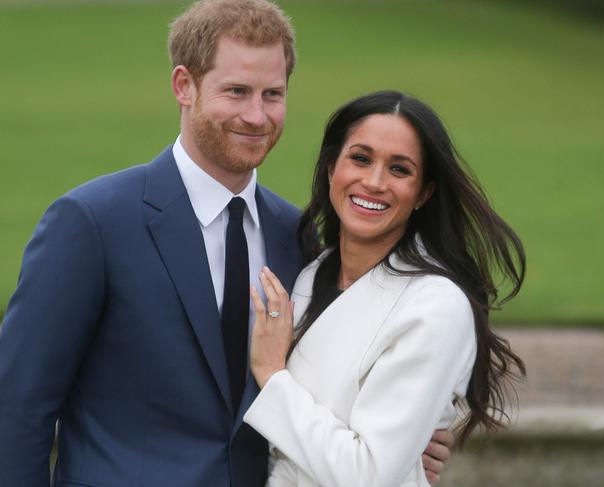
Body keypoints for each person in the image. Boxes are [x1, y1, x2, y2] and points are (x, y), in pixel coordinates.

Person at [0, 2, 450, 486]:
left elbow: (320, 382)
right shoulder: (91, 223)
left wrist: (399, 438)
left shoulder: (297, 235)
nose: (256, 116)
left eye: (272, 94)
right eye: (237, 91)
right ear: (184, 86)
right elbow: (17, 406)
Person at [243, 90, 527, 486]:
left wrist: (272, 376)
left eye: (399, 169)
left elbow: (368, 476)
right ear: (330, 169)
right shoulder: (310, 273)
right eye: (360, 158)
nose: (374, 182)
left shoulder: (435, 306)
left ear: (423, 193)